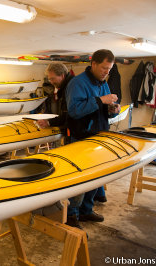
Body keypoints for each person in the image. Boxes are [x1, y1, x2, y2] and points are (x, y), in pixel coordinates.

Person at [65, 49, 121, 229]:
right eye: (104, 68)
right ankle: (72, 216)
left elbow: (103, 108)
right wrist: (100, 100)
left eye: (110, 69)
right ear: (94, 64)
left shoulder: (102, 83)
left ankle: (86, 211)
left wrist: (111, 110)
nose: (107, 72)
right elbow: (74, 111)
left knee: (95, 178)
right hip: (82, 138)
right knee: (80, 180)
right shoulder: (77, 83)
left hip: (100, 136)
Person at [36, 63, 74, 138]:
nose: (51, 82)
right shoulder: (62, 88)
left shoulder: (71, 88)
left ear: (62, 75)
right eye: (50, 79)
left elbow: (69, 114)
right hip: (67, 129)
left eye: (52, 78)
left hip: (74, 132)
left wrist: (49, 122)